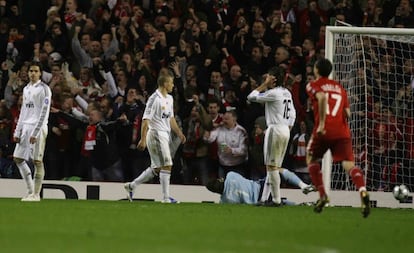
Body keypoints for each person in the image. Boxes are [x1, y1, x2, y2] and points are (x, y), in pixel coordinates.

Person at [305, 58, 370, 217]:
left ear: (317, 70)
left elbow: (321, 97)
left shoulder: (313, 84)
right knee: (348, 164)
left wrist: (321, 123)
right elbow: (348, 113)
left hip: (324, 130)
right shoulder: (339, 87)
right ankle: (362, 190)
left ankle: (322, 194)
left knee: (311, 159)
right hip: (342, 131)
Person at [124, 73, 186, 203]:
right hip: (156, 134)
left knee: (157, 168)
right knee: (167, 164)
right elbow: (146, 119)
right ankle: (165, 198)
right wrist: (142, 138)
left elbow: (171, 118)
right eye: (171, 83)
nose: (173, 85)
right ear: (165, 84)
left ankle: (132, 186)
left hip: (165, 134)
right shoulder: (154, 99)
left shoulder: (169, 98)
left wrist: (179, 133)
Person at [247, 67, 296, 206]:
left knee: (272, 167)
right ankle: (263, 198)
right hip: (285, 129)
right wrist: (288, 128)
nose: (265, 79)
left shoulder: (273, 93)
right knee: (273, 167)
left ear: (273, 79)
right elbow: (293, 113)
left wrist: (263, 85)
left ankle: (276, 200)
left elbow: (251, 97)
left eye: (268, 77)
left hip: (275, 129)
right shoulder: (287, 93)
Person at [13, 61, 52, 201]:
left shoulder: (44, 89)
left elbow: (44, 112)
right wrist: (17, 132)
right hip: (26, 127)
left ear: (40, 73)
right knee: (17, 158)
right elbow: (23, 111)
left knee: (37, 161)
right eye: (31, 71)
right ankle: (30, 191)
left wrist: (36, 132)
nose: (33, 73)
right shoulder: (26, 88)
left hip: (38, 127)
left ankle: (36, 194)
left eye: (36, 71)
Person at [206, 171, 314, 205]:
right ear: (220, 180)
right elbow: (242, 178)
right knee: (277, 170)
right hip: (261, 188)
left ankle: (302, 205)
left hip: (259, 202)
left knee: (280, 202)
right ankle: (302, 185)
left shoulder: (225, 201)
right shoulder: (230, 175)